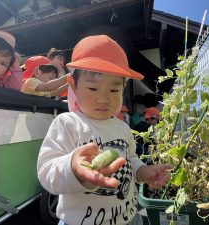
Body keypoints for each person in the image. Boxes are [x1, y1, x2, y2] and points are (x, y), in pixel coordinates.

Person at [37, 35, 172, 225]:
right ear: (74, 87)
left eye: (114, 90)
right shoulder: (67, 123)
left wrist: (143, 171)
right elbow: (46, 170)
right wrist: (73, 169)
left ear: (123, 89)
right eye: (93, 88)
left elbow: (130, 159)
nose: (103, 98)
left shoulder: (123, 128)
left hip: (128, 217)